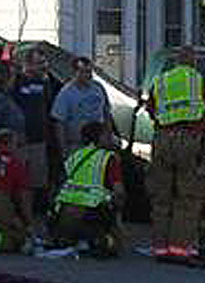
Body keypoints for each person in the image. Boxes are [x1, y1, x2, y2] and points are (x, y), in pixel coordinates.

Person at [146, 45, 205, 266]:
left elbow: (151, 109)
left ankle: (160, 248)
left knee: (161, 196)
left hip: (162, 140)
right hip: (189, 141)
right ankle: (180, 250)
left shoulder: (160, 82)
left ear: (175, 62)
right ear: (193, 62)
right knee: (188, 196)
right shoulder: (198, 81)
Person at [48, 121, 125, 258]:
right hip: (90, 216)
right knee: (115, 241)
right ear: (100, 138)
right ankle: (103, 239)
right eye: (108, 135)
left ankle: (68, 239)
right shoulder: (109, 158)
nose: (111, 138)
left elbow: (58, 185)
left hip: (63, 218)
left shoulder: (75, 156)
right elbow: (119, 191)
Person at [12, 46, 54, 215]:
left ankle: (33, 214)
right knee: (19, 180)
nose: (43, 66)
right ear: (27, 64)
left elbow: (48, 105)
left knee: (37, 181)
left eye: (44, 62)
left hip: (39, 139)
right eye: (39, 63)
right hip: (20, 139)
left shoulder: (45, 82)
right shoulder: (16, 81)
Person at [50, 56, 113, 158]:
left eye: (90, 71)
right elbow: (59, 122)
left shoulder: (98, 88)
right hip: (77, 144)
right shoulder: (66, 93)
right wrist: (63, 149)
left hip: (99, 142)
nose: (88, 75)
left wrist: (108, 135)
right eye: (84, 72)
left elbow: (106, 112)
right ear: (75, 73)